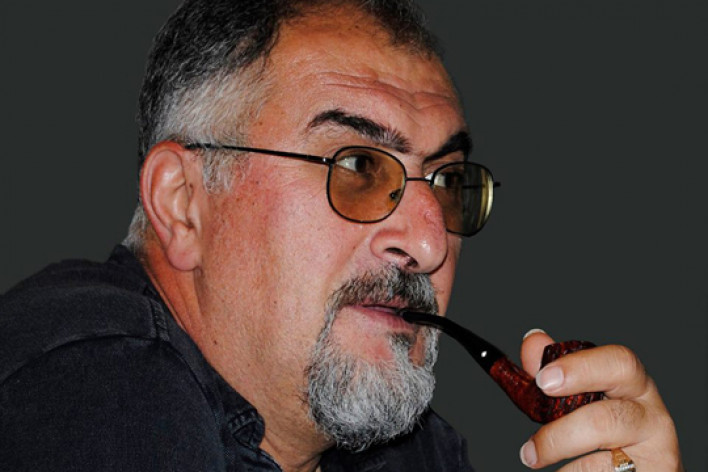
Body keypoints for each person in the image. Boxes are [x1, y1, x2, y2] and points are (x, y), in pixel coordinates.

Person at [0, 0, 683, 471]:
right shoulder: (89, 383)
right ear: (182, 205)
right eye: (358, 167)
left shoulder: (410, 453)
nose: (429, 245)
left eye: (447, 182)